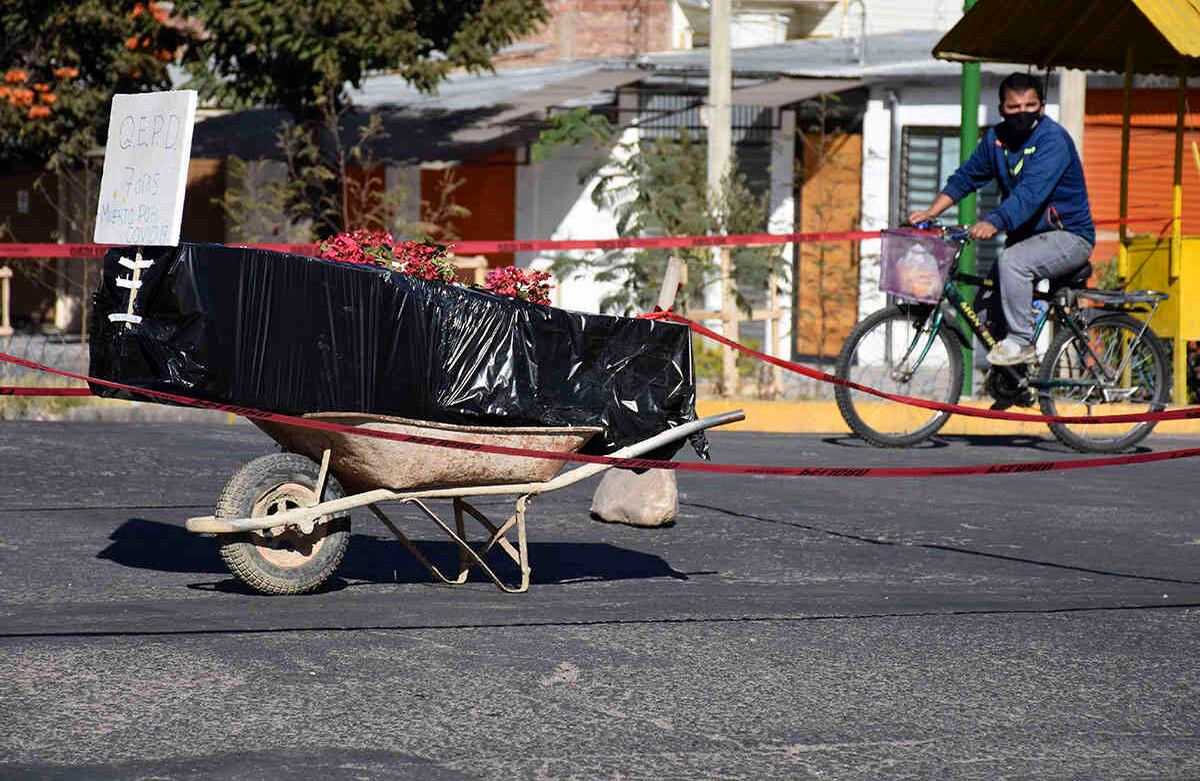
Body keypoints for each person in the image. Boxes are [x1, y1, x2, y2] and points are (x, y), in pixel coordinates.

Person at [908, 72, 1095, 365]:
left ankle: (1022, 344)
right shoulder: (996, 140)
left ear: (1042, 107)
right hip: (1027, 239)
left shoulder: (1053, 140)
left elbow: (1030, 195)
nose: (1022, 113)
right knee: (984, 310)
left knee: (1013, 263)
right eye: (1014, 107)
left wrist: (994, 221)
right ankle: (1016, 382)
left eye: (1030, 106)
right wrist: (932, 211)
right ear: (1001, 110)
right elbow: (966, 178)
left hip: (1068, 235)